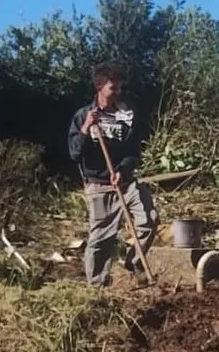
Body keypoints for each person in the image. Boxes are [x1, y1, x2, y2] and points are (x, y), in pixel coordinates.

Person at [68, 62, 158, 288]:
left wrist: (122, 170)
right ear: (99, 87)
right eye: (112, 88)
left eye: (119, 88)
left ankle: (134, 263)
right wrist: (87, 128)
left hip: (125, 182)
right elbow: (75, 153)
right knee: (102, 239)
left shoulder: (126, 116)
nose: (117, 92)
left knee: (149, 220)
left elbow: (133, 152)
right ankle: (97, 287)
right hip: (98, 185)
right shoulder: (83, 116)